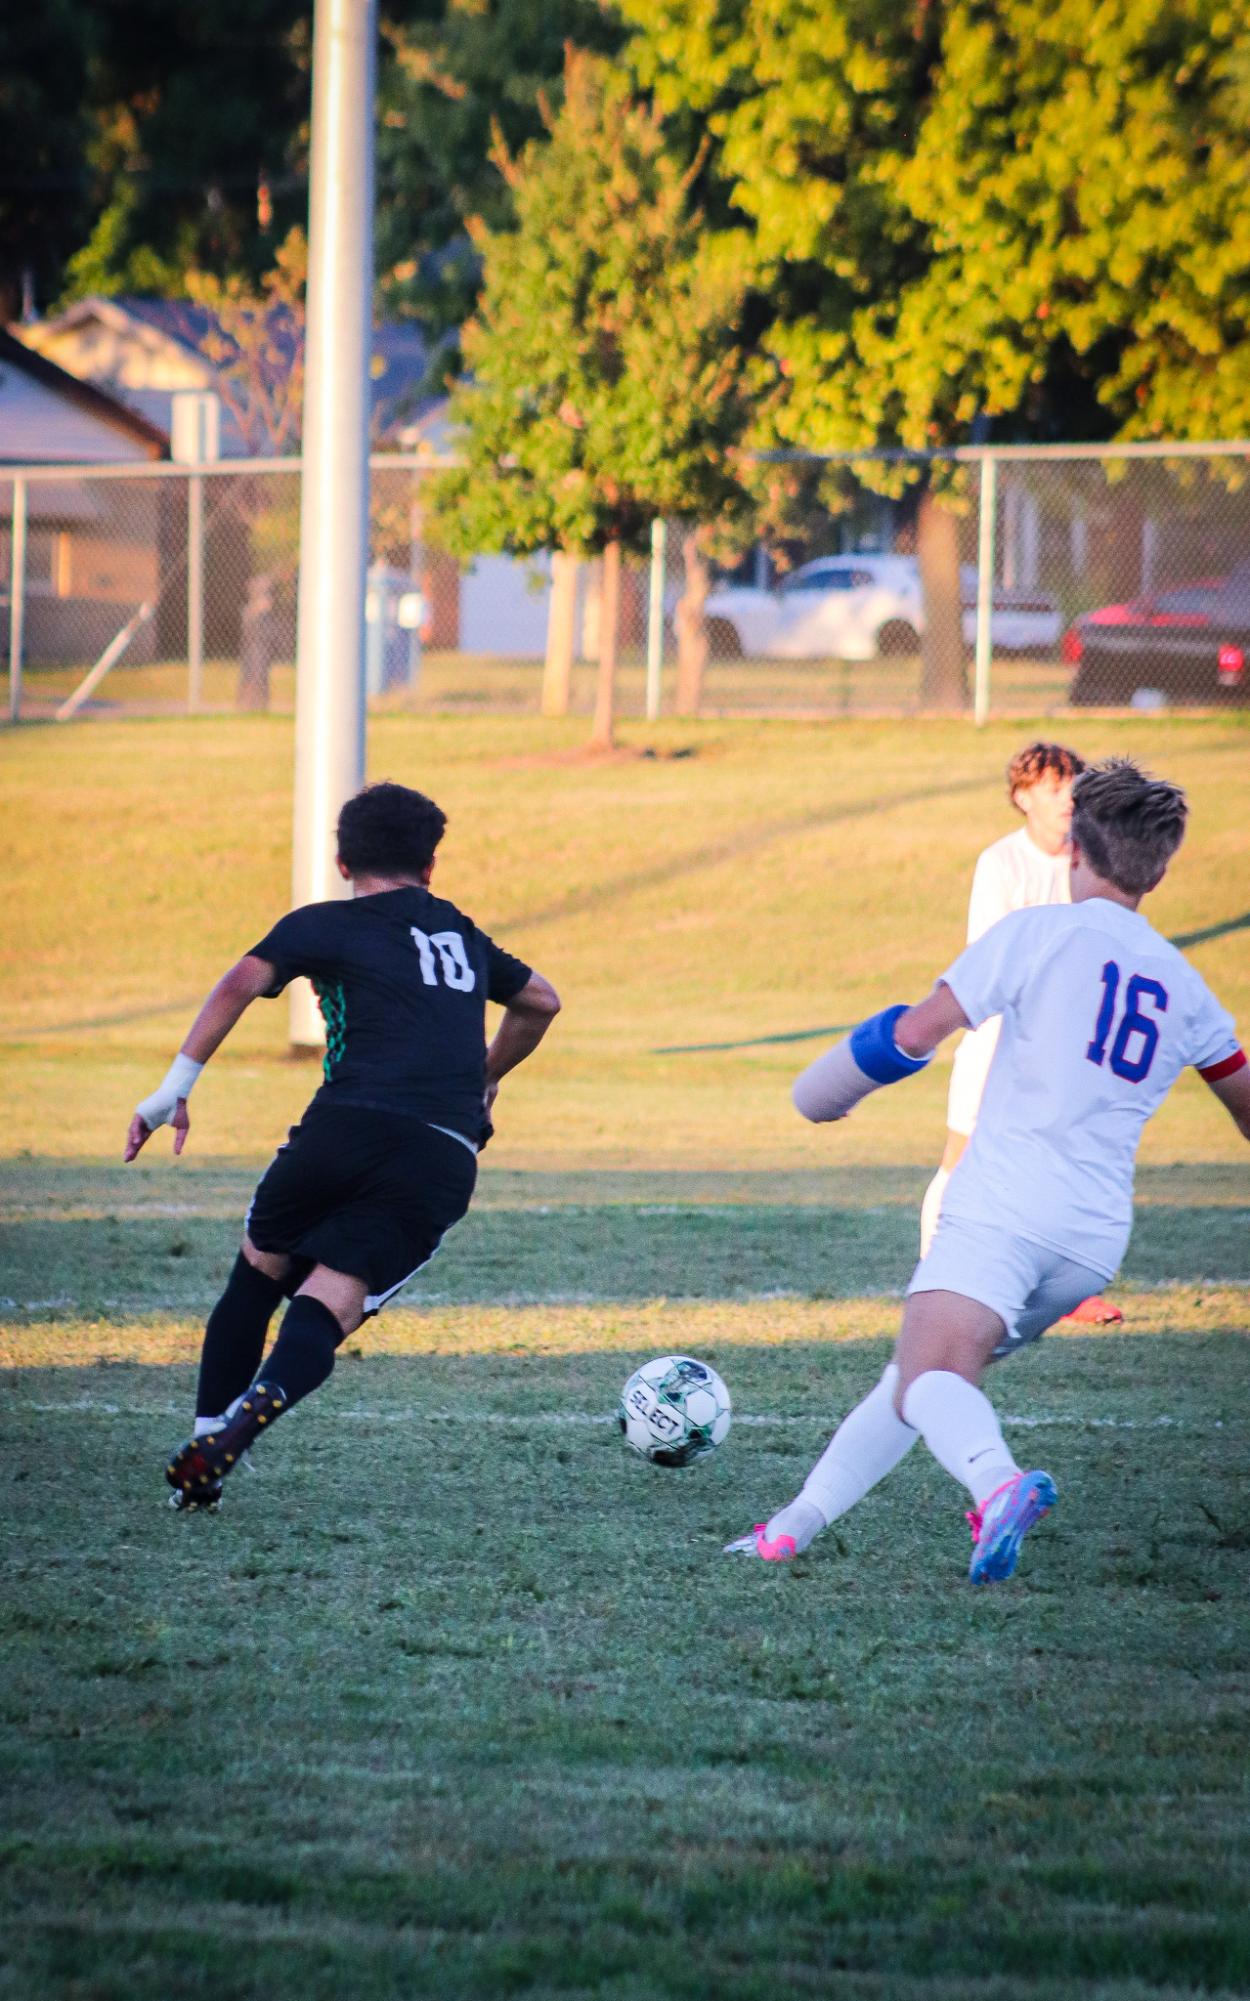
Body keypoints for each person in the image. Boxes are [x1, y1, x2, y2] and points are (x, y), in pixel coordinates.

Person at [727, 758, 1249, 1584]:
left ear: (1075, 846)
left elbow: (914, 1033)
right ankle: (790, 1527)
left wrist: (822, 1092)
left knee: (929, 1374)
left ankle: (999, 1485)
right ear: (1161, 864)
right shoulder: (1186, 984)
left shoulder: (1038, 931)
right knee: (920, 1378)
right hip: (1090, 1240)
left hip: (1007, 1204)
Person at [124, 780, 560, 1512]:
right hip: (442, 1149)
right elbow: (541, 998)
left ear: (340, 860)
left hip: (344, 1125)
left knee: (257, 1277)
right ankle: (238, 1430)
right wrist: (484, 1076)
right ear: (430, 867)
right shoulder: (458, 930)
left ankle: (209, 1442)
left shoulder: (322, 922)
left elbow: (240, 980)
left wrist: (176, 1084)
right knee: (331, 1303)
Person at [920, 738, 1120, 1326]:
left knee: (1064, 1164)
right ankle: (935, 1278)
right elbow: (990, 960)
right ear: (1022, 797)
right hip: (998, 1040)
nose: (1067, 797)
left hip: (1066, 1049)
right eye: (1053, 786)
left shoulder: (1094, 861)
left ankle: (1065, 1291)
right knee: (961, 1157)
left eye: (1073, 785)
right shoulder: (1000, 863)